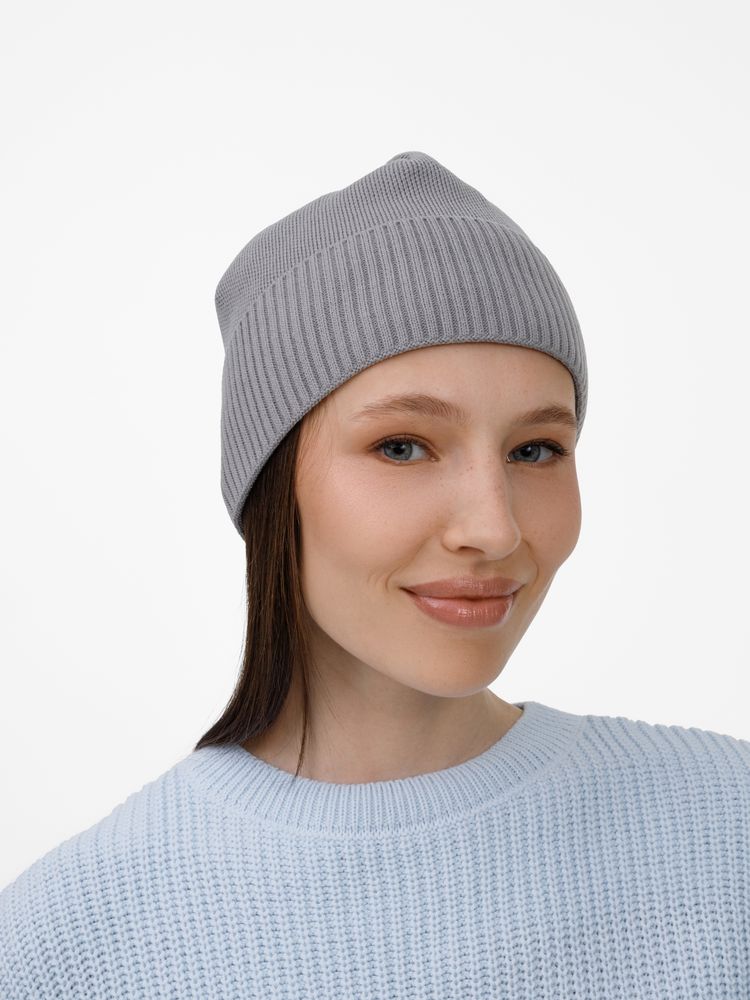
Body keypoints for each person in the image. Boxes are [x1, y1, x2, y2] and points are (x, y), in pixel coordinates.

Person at [1, 150, 747, 999]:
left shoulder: (727, 827)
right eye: (402, 446)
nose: (493, 528)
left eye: (536, 450)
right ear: (272, 486)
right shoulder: (65, 944)